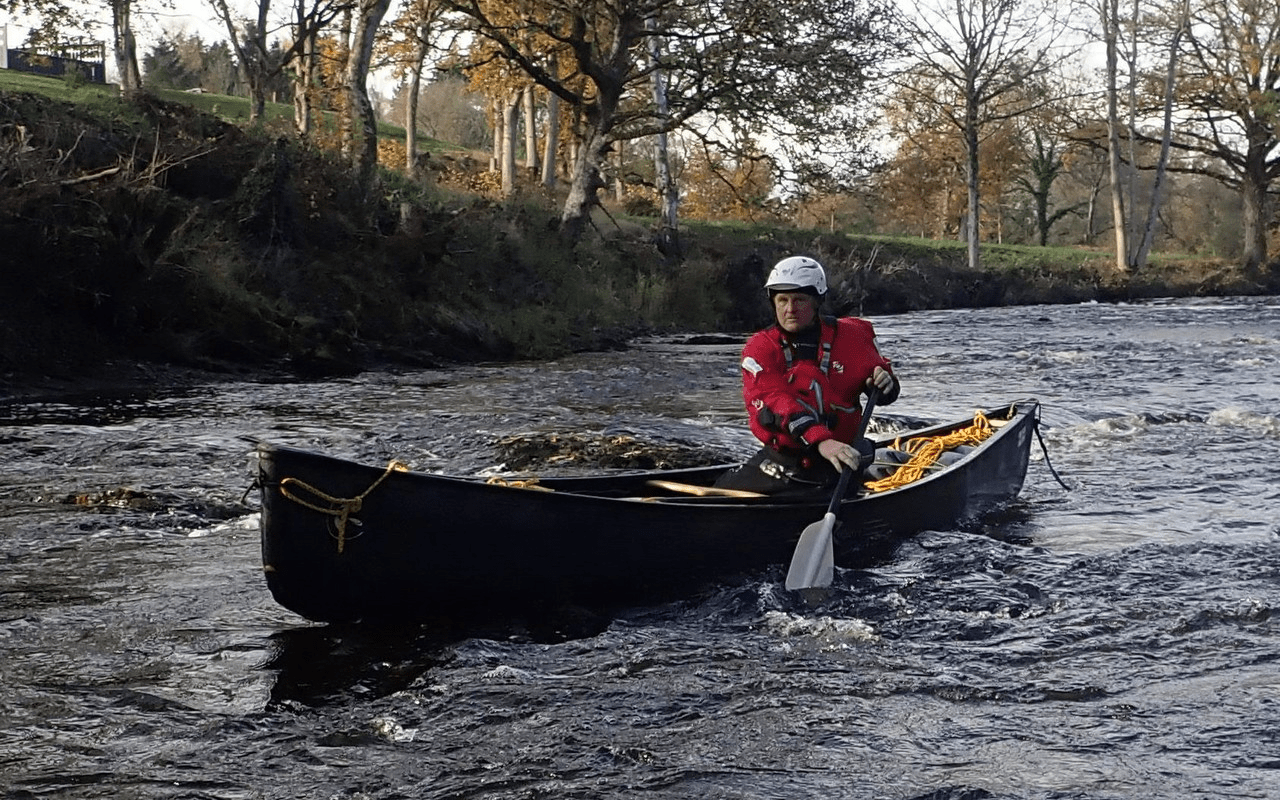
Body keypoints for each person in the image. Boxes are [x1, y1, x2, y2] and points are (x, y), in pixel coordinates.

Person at [714, 255, 899, 495]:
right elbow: (777, 401)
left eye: (799, 300)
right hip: (786, 462)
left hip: (842, 462)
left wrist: (886, 384)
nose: (789, 309)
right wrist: (822, 441)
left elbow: (887, 394)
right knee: (719, 489)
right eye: (782, 300)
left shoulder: (853, 336)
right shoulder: (760, 348)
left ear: (816, 302)